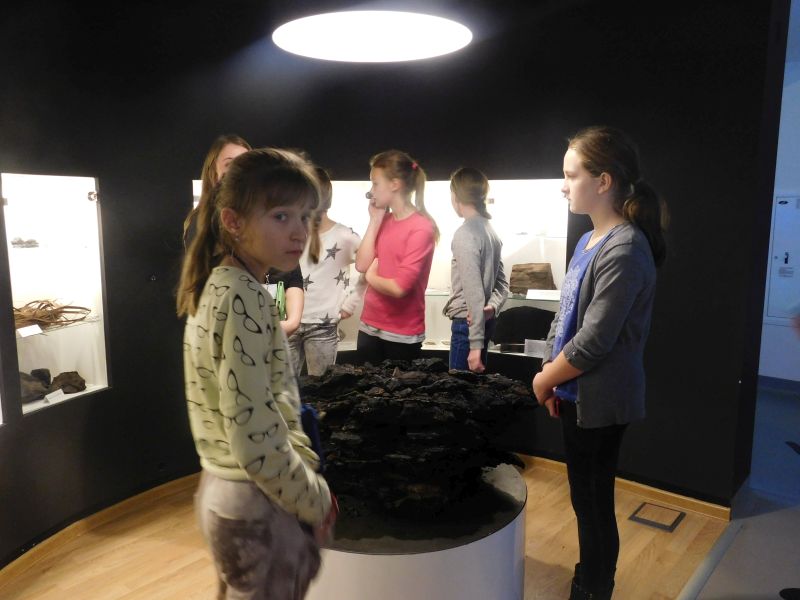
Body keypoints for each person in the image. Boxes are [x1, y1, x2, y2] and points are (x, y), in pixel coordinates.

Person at [177, 148, 337, 600]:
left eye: (305, 217)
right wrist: (315, 499)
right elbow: (255, 439)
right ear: (233, 221)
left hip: (225, 491)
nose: (299, 232)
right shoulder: (243, 297)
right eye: (281, 216)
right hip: (254, 500)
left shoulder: (220, 284)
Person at [532, 126, 668, 600]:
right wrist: (556, 380)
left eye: (571, 175)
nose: (563, 186)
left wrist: (544, 379)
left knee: (593, 501)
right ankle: (588, 576)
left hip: (602, 398)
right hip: (576, 391)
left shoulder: (625, 246)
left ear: (603, 180)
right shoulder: (590, 239)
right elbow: (566, 315)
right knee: (584, 498)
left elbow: (594, 341)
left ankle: (593, 587)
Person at [354, 150, 438, 363]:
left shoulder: (421, 228)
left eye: (375, 184)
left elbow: (399, 288)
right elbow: (362, 264)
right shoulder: (384, 220)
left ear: (394, 184)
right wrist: (375, 220)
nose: (371, 191)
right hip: (369, 326)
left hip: (402, 334)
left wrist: (371, 277)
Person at [289, 166, 365, 376]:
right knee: (283, 388)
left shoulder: (344, 235)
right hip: (288, 321)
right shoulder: (288, 233)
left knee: (321, 387)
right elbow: (276, 273)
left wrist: (350, 303)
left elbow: (370, 265)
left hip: (323, 325)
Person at [443, 167, 509, 372]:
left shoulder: (465, 234)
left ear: (456, 196)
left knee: (457, 389)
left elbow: (474, 292)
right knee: (476, 389)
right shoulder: (491, 232)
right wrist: (493, 307)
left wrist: (475, 346)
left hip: (468, 325)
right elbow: (503, 285)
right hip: (483, 322)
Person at [183, 134, 252, 246]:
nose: (239, 170)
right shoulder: (203, 222)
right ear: (213, 173)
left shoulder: (257, 215)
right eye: (229, 164)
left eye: (245, 163)